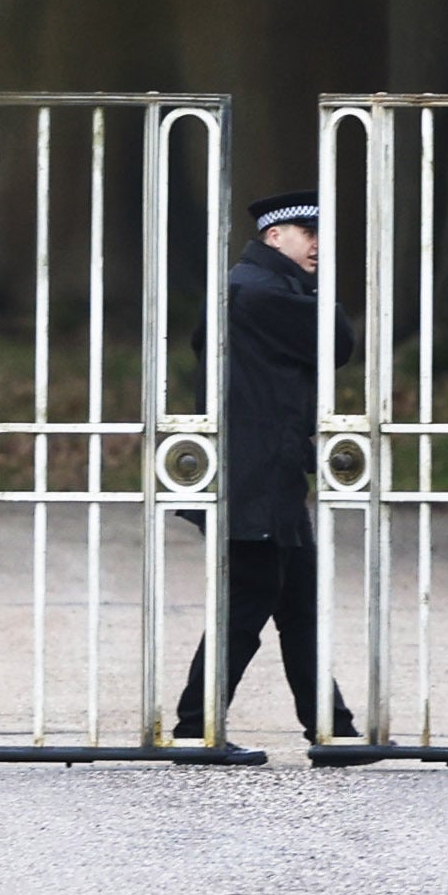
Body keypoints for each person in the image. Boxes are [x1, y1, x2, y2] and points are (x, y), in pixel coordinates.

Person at [176, 191, 360, 756]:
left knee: (299, 605)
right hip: (252, 480)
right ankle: (194, 728)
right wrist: (319, 297)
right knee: (247, 604)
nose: (320, 248)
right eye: (309, 235)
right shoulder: (257, 293)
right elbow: (339, 342)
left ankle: (333, 730)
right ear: (274, 237)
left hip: (269, 476)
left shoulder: (254, 288)